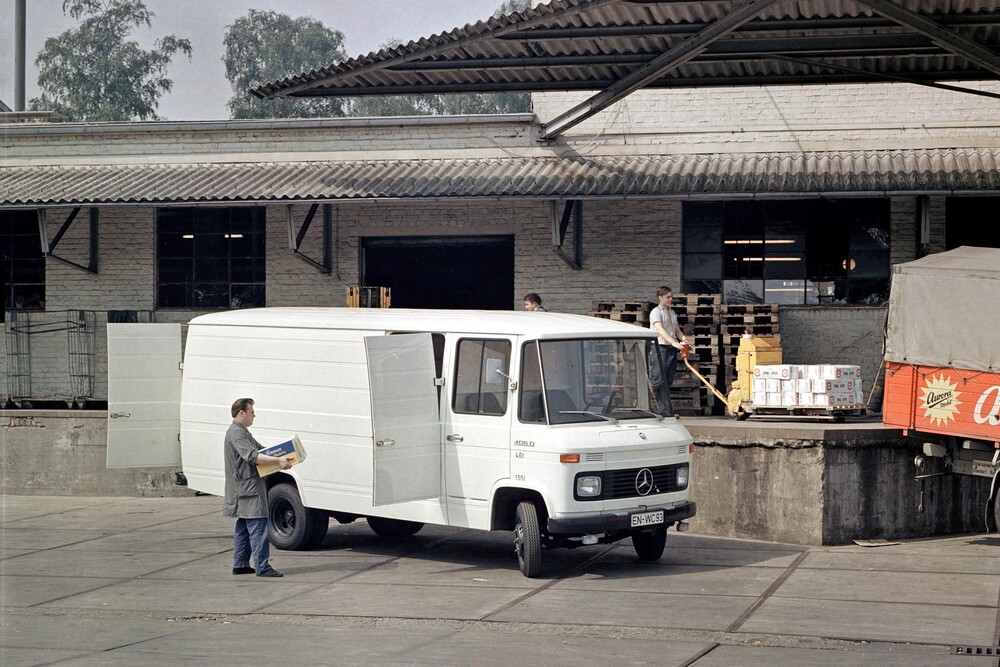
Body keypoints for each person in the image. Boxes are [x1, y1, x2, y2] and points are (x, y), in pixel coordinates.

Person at [224, 397, 292, 577]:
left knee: (244, 528)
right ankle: (262, 566)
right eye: (252, 412)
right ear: (242, 413)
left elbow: (262, 451)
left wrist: (284, 454)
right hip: (248, 490)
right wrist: (277, 460)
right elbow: (252, 456)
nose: (254, 415)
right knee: (258, 527)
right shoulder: (237, 433)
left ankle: (240, 564)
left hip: (245, 489)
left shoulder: (242, 432)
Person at [648, 286, 688, 415]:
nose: (671, 299)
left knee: (667, 381)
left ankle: (664, 411)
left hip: (670, 349)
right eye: (668, 297)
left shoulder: (672, 312)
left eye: (671, 297)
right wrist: (674, 342)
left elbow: (677, 330)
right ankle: (646, 407)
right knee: (657, 380)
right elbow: (660, 330)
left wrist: (684, 340)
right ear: (660, 298)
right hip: (659, 348)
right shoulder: (656, 312)